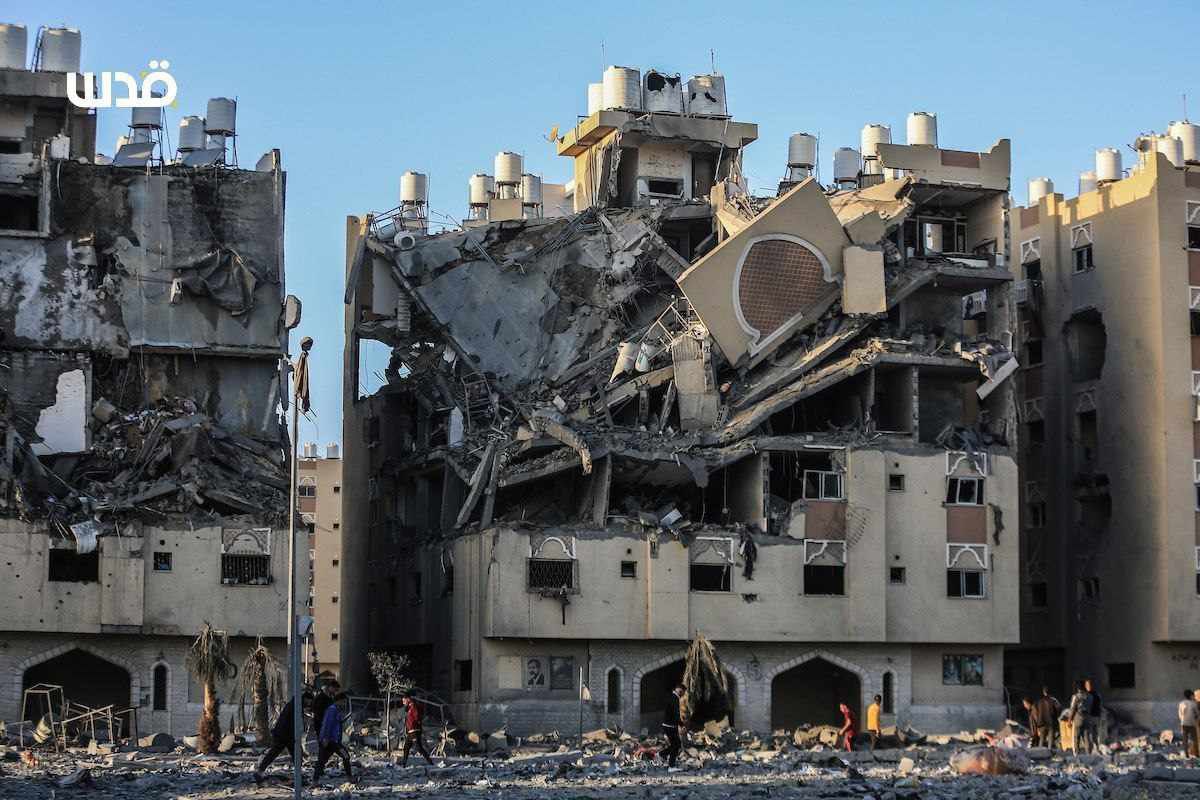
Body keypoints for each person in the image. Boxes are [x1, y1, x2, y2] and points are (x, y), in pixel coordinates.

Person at [253, 691, 312, 783]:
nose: (309, 703)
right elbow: (291, 722)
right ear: (305, 699)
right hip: (286, 734)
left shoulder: (294, 704)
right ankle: (298, 775)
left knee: (275, 753)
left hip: (284, 734)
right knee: (294, 754)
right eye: (309, 701)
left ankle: (260, 771)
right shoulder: (295, 706)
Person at [313, 691, 355, 784]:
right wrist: (326, 738)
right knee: (346, 756)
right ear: (339, 700)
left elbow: (336, 723)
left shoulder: (334, 710)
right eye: (343, 702)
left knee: (322, 761)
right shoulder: (332, 710)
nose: (344, 704)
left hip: (332, 740)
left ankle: (315, 780)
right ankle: (350, 777)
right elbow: (327, 725)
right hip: (331, 741)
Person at [400, 693, 433, 767]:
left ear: (408, 699)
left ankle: (430, 762)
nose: (403, 703)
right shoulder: (409, 707)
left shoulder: (413, 706)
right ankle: (403, 764)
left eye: (404, 701)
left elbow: (417, 717)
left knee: (419, 748)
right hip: (410, 732)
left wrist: (415, 724)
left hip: (414, 731)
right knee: (406, 748)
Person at [661, 684, 685, 768]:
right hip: (670, 726)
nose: (683, 694)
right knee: (676, 745)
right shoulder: (674, 699)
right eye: (683, 691)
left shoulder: (671, 697)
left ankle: (661, 754)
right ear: (679, 690)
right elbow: (676, 714)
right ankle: (671, 766)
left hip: (668, 725)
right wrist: (681, 724)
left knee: (676, 744)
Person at [1067, 681, 1090, 755]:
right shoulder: (1088, 696)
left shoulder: (1076, 696)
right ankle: (1088, 753)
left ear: (1077, 688)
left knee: (1076, 737)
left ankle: (1076, 754)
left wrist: (1069, 720)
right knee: (1086, 737)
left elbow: (1072, 709)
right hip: (1087, 718)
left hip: (1078, 718)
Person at [1083, 678, 1103, 752]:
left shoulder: (1086, 695)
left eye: (1089, 685)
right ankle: (1096, 748)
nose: (1088, 686)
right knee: (1094, 734)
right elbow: (1100, 705)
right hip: (1096, 716)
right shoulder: (1097, 694)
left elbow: (1086, 707)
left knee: (1089, 734)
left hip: (1091, 717)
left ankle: (1090, 750)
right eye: (1087, 685)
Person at [1179, 690, 1199, 758]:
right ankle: (1197, 754)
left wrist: (1182, 720)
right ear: (1191, 696)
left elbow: (1180, 714)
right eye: (1193, 695)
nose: (1194, 697)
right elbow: (1197, 713)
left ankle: (1186, 755)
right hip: (1192, 724)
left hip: (1184, 724)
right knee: (1194, 739)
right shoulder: (1193, 704)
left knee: (1185, 740)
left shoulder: (1181, 703)